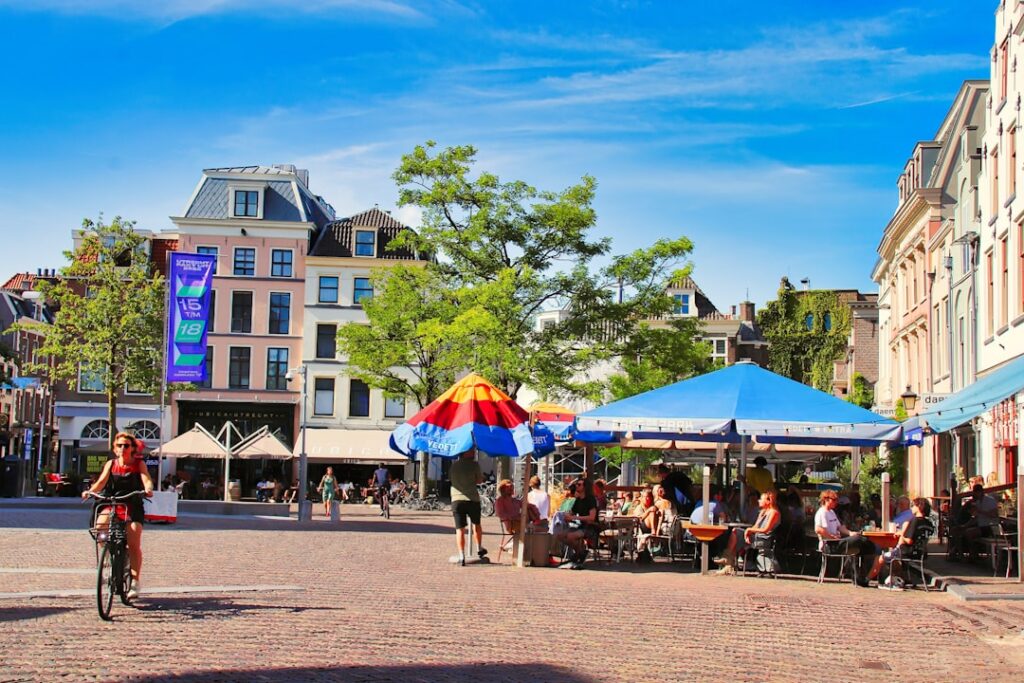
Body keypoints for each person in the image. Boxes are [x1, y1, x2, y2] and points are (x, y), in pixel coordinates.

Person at [82, 432, 154, 600]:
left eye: (126, 446)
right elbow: (101, 482)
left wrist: (148, 489)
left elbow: (146, 479)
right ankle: (108, 553)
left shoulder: (139, 464)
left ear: (132, 449)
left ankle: (135, 582)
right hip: (112, 502)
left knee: (134, 541)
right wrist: (90, 492)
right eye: (119, 445)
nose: (123, 448)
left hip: (131, 504)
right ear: (115, 448)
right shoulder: (111, 464)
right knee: (100, 527)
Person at [814, 490, 876, 587]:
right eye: (834, 500)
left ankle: (858, 576)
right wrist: (831, 537)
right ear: (826, 499)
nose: (836, 502)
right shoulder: (821, 513)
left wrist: (851, 533)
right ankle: (857, 576)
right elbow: (818, 529)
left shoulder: (832, 512)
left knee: (861, 543)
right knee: (857, 540)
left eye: (836, 500)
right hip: (829, 544)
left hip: (837, 542)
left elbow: (840, 527)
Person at [868, 497, 932, 590]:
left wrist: (901, 536)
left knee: (880, 558)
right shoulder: (928, 523)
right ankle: (898, 579)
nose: (911, 509)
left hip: (906, 551)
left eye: (913, 506)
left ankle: (867, 580)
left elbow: (909, 540)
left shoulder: (913, 521)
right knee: (891, 557)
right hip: (921, 552)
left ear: (919, 507)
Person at [717, 489, 782, 574]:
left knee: (736, 536)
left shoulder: (774, 513)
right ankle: (728, 561)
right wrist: (749, 532)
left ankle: (728, 562)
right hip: (756, 536)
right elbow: (755, 526)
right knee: (735, 531)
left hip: (764, 539)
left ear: (768, 501)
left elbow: (766, 529)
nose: (759, 501)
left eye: (761, 499)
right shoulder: (762, 512)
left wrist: (749, 530)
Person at [450, 449, 485, 566]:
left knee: (459, 529)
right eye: (471, 450)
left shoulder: (453, 466)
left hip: (456, 499)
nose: (474, 452)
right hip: (472, 499)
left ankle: (461, 555)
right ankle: (479, 549)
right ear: (465, 452)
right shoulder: (475, 465)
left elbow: (451, 479)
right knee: (476, 524)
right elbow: (479, 481)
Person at [949, 483, 999, 560]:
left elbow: (994, 515)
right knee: (956, 531)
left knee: (969, 533)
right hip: (979, 525)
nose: (976, 495)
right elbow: (975, 518)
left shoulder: (990, 501)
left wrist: (980, 511)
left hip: (989, 526)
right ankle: (960, 554)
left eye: (977, 493)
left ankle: (974, 553)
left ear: (981, 492)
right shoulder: (977, 502)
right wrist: (965, 525)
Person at [560, 478, 597, 569]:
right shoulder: (578, 500)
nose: (577, 486)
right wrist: (565, 516)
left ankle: (579, 554)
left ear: (585, 487)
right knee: (560, 535)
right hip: (581, 526)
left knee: (571, 536)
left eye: (579, 484)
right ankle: (581, 553)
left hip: (591, 527)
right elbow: (572, 513)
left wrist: (574, 517)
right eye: (576, 484)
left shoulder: (590, 499)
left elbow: (592, 517)